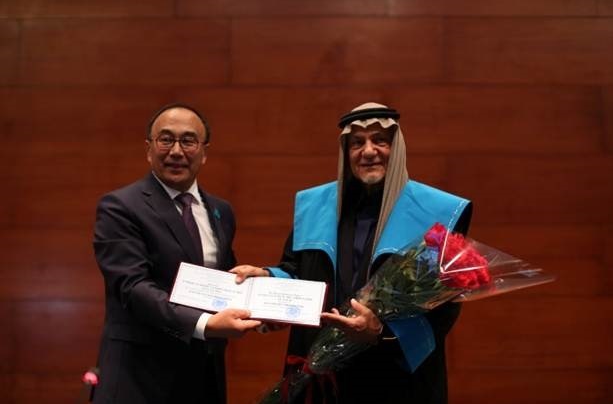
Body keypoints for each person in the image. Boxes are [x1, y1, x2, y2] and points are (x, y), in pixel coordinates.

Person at [234, 102, 473, 403]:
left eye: (380, 141)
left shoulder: (434, 211)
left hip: (397, 379)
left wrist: (380, 332)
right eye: (357, 143)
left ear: (397, 148)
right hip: (322, 376)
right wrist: (268, 277)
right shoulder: (316, 206)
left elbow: (445, 302)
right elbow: (296, 269)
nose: (368, 151)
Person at [92, 103, 262, 404]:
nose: (176, 151)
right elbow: (132, 287)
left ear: (204, 152)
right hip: (139, 379)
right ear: (149, 148)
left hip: (203, 377)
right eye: (166, 139)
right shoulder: (120, 207)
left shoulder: (221, 211)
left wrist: (259, 303)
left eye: (188, 141)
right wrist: (204, 324)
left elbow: (222, 282)